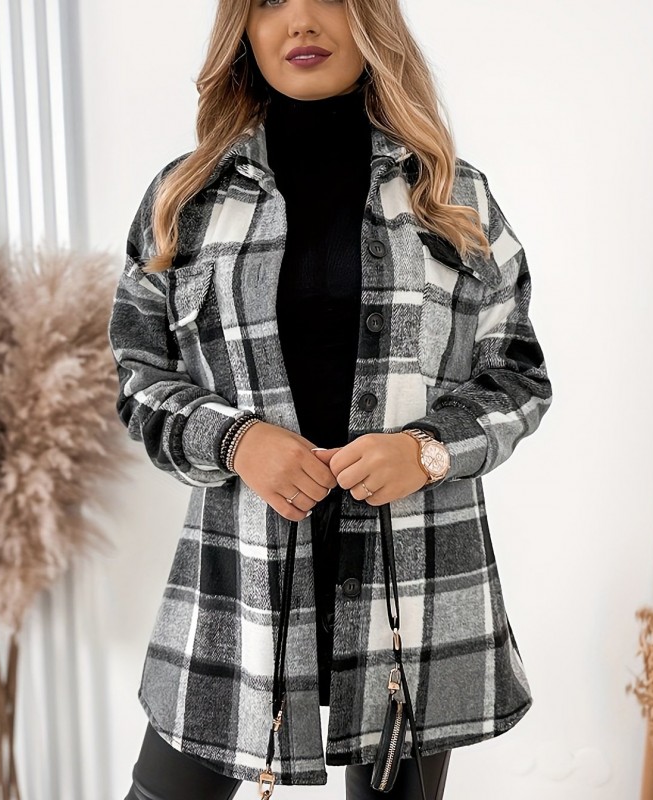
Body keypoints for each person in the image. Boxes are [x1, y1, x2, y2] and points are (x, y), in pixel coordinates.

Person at [108, 0, 553, 798]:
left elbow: (518, 375)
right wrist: (237, 440)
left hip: (414, 589)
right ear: (243, 29)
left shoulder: (453, 197)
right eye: (271, 1)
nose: (302, 21)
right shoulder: (187, 199)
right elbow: (138, 378)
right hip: (235, 586)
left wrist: (426, 450)